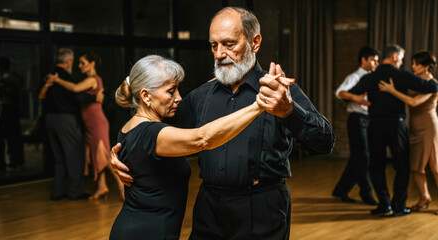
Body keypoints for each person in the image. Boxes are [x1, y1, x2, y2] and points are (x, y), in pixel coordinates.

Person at [112, 7, 335, 240]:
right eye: (213, 45)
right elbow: (150, 128)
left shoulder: (279, 92)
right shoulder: (202, 96)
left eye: (229, 44)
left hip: (261, 206)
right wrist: (120, 152)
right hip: (209, 207)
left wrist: (289, 111)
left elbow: (324, 142)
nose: (219, 54)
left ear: (255, 42)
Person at [109, 55, 288, 239]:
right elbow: (203, 139)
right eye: (171, 91)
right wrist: (259, 105)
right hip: (147, 233)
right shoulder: (151, 133)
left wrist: (249, 75)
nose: (179, 97)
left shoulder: (129, 128)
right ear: (146, 95)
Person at [347, 44, 438, 217]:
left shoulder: (371, 77)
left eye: (414, 63)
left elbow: (349, 93)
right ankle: (399, 205)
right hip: (398, 126)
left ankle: (384, 205)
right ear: (395, 57)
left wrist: (356, 97)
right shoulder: (402, 76)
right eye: (404, 60)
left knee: (377, 166)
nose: (408, 65)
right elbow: (432, 87)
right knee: (404, 167)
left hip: (378, 125)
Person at [48, 52, 124, 200]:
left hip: (97, 123)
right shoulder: (87, 79)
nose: (79, 65)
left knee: (105, 156)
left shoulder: (93, 79)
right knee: (96, 157)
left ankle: (123, 186)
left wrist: (57, 80)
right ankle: (102, 187)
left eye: (83, 63)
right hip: (89, 124)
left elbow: (75, 89)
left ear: (92, 64)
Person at [378, 51, 438, 215]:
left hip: (428, 127)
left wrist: (391, 90)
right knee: (416, 166)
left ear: (426, 67)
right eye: (412, 63)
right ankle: (425, 197)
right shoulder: (417, 82)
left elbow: (413, 102)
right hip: (415, 127)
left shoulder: (431, 84)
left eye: (416, 64)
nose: (412, 67)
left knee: (434, 167)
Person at [40, 48, 101, 200]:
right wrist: (95, 98)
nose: (76, 65)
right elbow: (78, 95)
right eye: (75, 62)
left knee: (59, 158)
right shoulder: (66, 78)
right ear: (68, 62)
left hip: (49, 120)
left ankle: (57, 192)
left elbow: (41, 96)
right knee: (75, 156)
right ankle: (75, 192)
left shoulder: (48, 76)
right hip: (65, 121)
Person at [332, 46, 379, 205]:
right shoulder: (355, 76)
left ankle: (341, 190)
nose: (375, 64)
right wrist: (356, 98)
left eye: (377, 61)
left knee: (358, 158)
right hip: (357, 120)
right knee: (363, 158)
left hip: (368, 120)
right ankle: (366, 194)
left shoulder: (373, 77)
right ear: (364, 60)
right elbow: (340, 93)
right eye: (373, 60)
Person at [0, 56, 24, 171]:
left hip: (9, 109)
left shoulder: (5, 79)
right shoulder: (14, 77)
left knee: (3, 136)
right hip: (12, 109)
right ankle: (16, 161)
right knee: (13, 136)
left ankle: (4, 163)